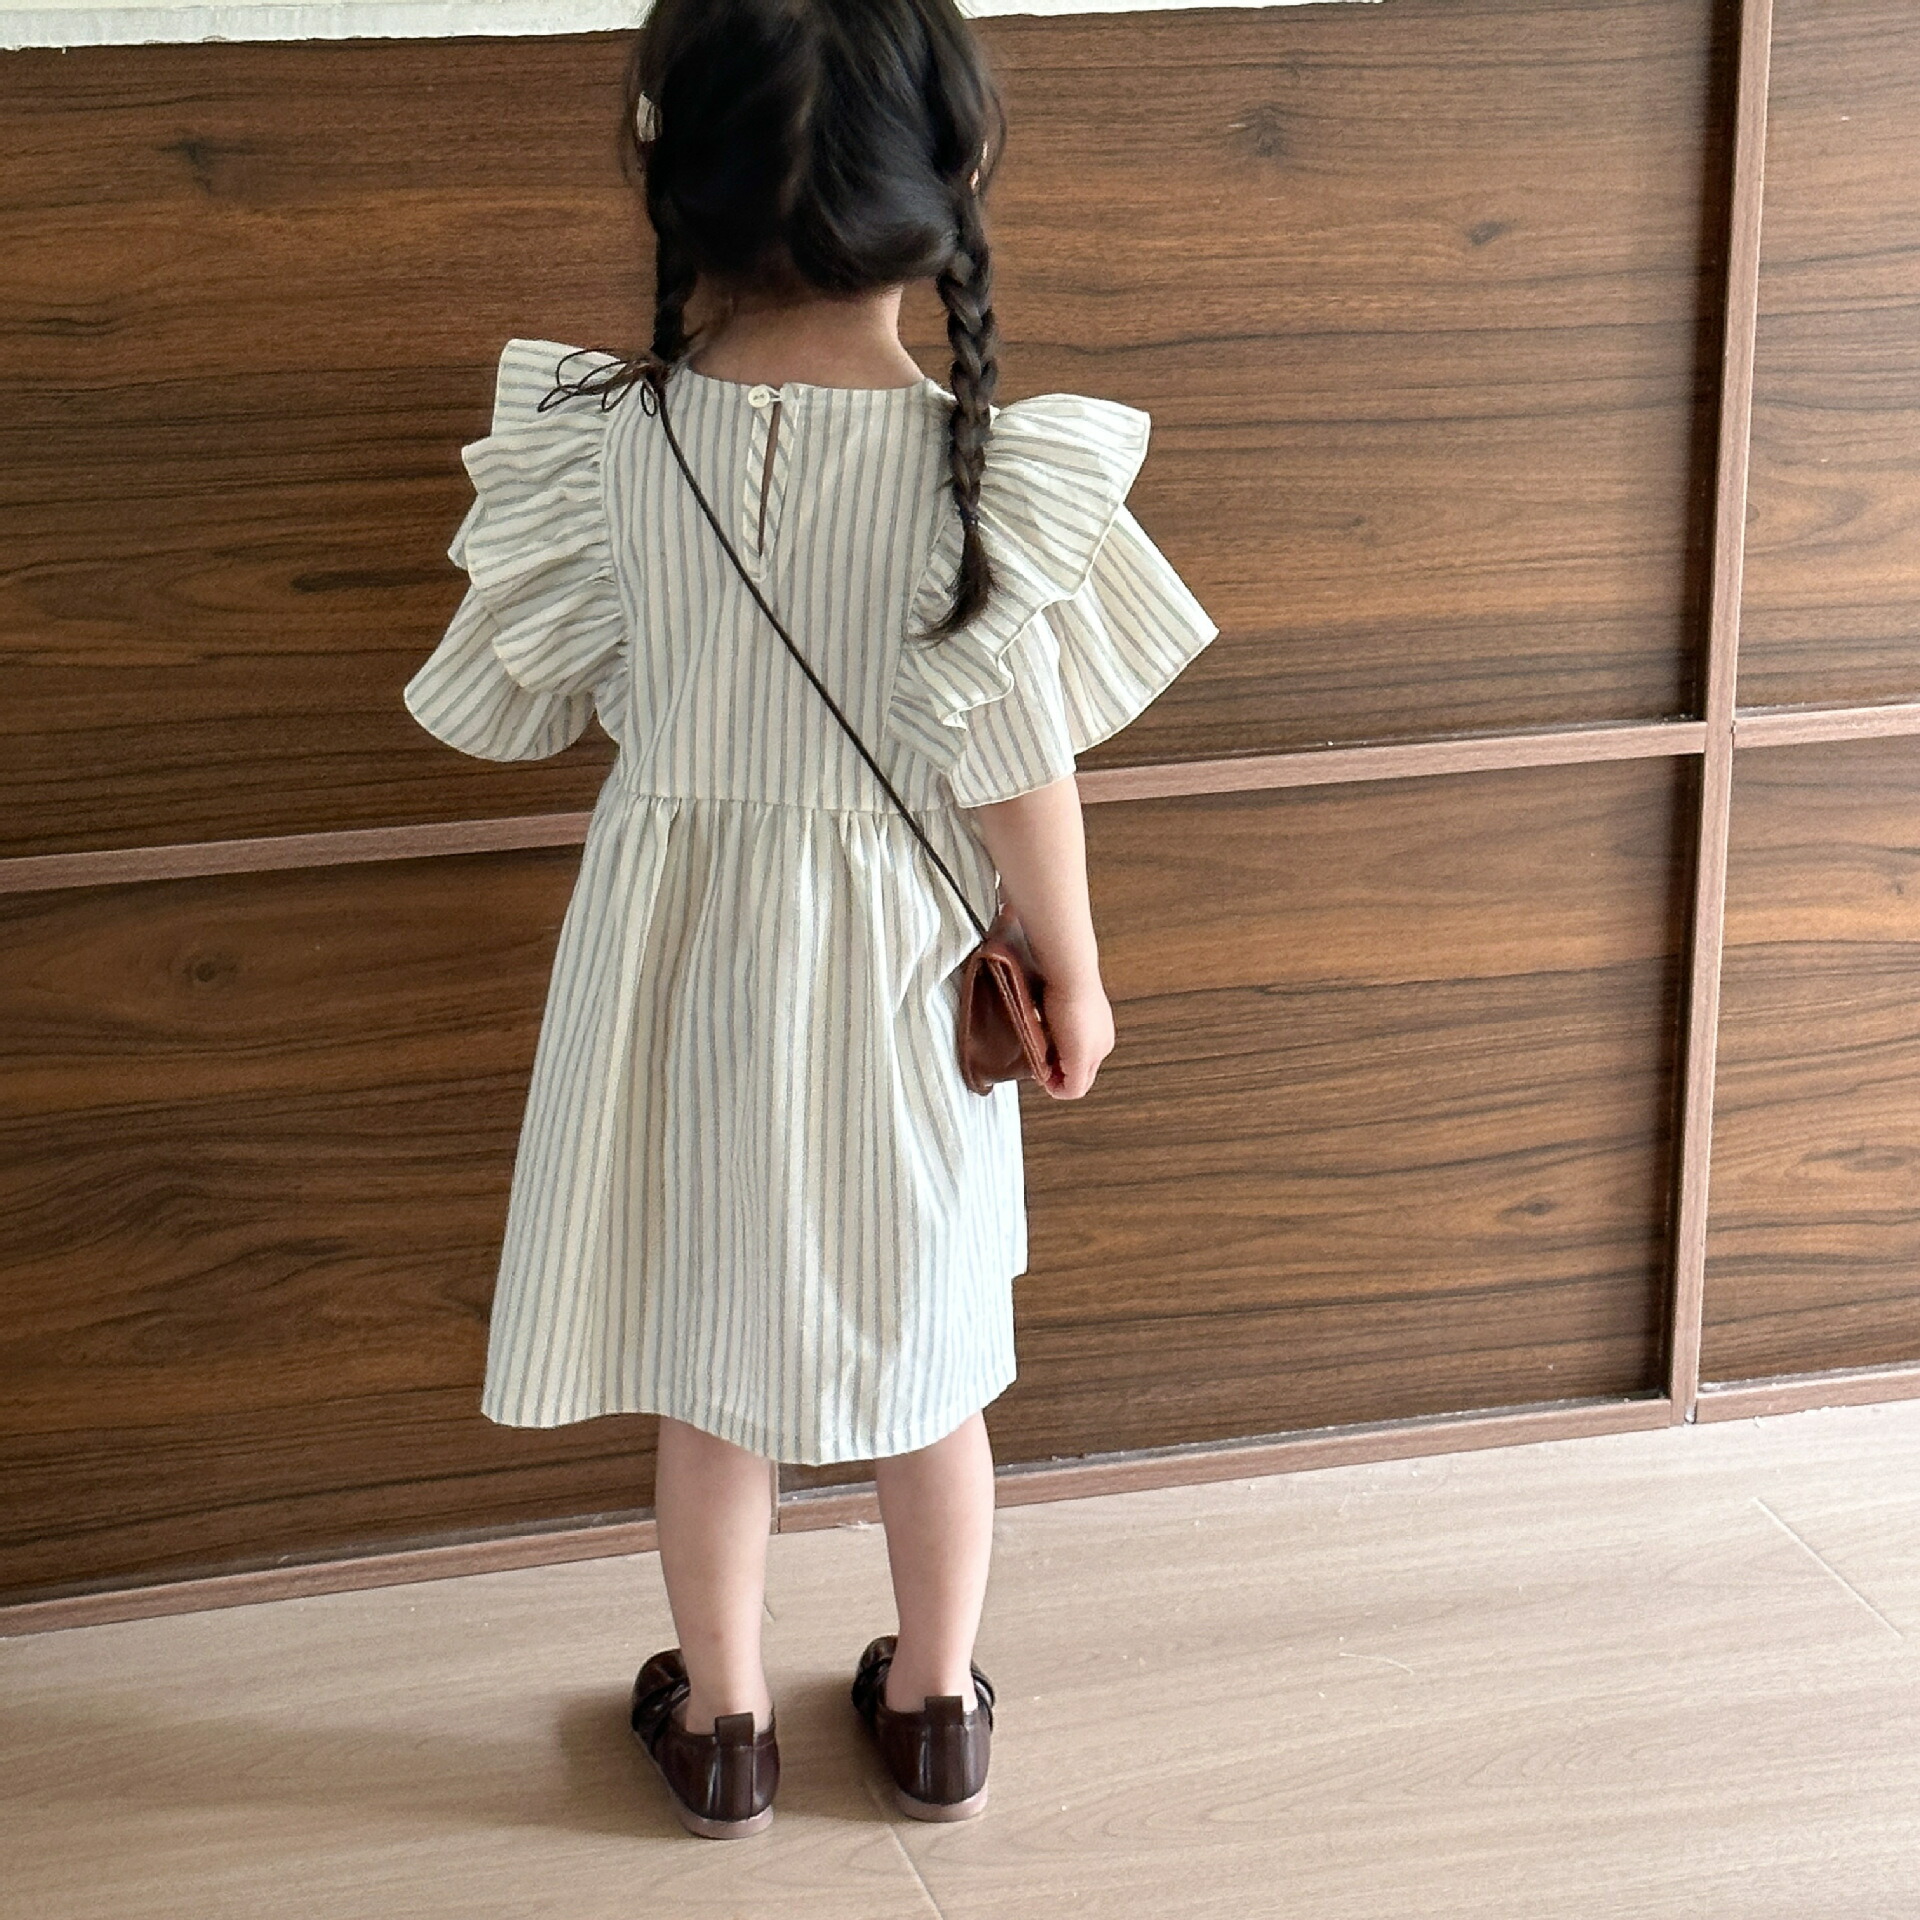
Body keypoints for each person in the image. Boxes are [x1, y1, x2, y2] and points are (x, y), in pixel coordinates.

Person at [401, 0, 1219, 1841]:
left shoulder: (608, 445)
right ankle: (932, 1711)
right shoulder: (978, 470)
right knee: (932, 1366)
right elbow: (1018, 764)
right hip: (891, 971)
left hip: (676, 959)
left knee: (712, 1377)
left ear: (662, 168)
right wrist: (1078, 976)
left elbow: (525, 698)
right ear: (955, 170)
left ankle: (722, 1728)